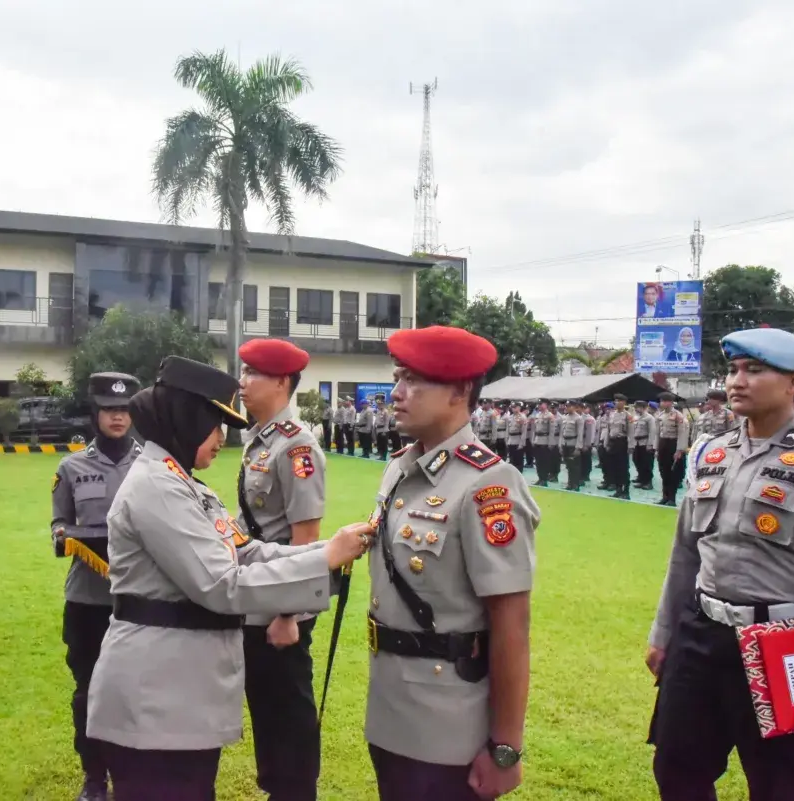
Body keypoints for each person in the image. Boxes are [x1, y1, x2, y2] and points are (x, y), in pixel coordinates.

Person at [84, 356, 371, 801]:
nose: (222, 437)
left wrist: (325, 550)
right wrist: (324, 559)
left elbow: (247, 549)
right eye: (215, 422)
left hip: (179, 694)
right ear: (186, 417)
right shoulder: (157, 488)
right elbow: (223, 585)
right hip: (158, 696)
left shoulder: (183, 483)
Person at [645, 327, 794, 801]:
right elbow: (686, 554)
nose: (737, 381)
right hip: (701, 637)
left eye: (755, 370)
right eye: (733, 370)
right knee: (676, 770)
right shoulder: (712, 452)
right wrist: (664, 635)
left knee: (781, 786)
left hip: (783, 646)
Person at [365, 325, 537, 801]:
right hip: (390, 704)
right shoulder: (400, 468)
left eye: (414, 381)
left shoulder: (488, 486)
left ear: (460, 391)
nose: (397, 393)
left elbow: (512, 623)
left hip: (448, 722)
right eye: (398, 378)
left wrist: (506, 746)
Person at [236, 339, 327, 801]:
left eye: (252, 374)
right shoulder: (259, 438)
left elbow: (306, 539)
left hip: (281, 608)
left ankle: (294, 792)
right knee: (265, 705)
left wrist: (288, 614)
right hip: (257, 595)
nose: (243, 382)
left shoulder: (297, 448)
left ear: (281, 382)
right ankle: (278, 788)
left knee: (287, 707)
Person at [51, 371, 143, 801]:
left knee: (136, 689)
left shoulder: (152, 465)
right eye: (109, 409)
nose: (118, 417)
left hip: (140, 600)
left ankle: (132, 773)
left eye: (124, 409)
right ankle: (94, 777)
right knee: (88, 690)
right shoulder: (71, 467)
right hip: (88, 601)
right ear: (95, 413)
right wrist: (62, 535)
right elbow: (59, 523)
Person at [602, 394, 633, 499]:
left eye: (619, 401)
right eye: (615, 401)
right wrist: (606, 443)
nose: (617, 402)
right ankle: (618, 489)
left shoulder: (628, 415)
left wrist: (631, 446)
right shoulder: (611, 414)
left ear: (624, 402)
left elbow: (631, 432)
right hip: (613, 442)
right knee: (614, 467)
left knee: (623, 468)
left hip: (622, 442)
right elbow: (608, 429)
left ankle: (626, 491)